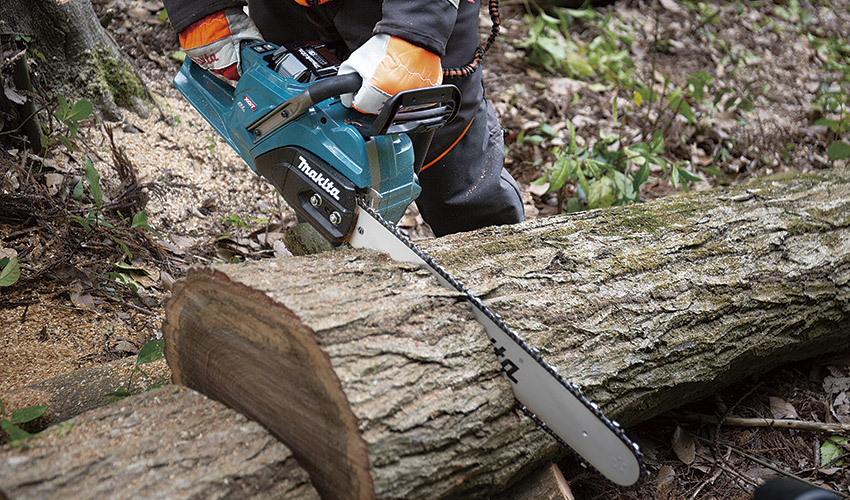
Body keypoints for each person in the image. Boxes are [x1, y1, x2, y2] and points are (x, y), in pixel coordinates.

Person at [162, 0, 525, 237]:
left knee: (452, 167)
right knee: (321, 158)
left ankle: (501, 275)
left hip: (405, 8)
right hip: (287, 11)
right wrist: (202, 15)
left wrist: (417, 28)